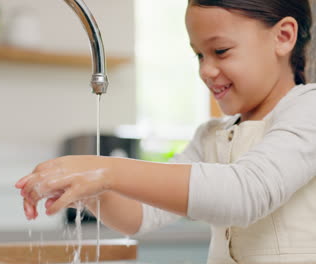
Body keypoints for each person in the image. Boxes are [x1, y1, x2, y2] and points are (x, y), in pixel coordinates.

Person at [16, 0, 316, 263]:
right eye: (199, 55)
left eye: (220, 51)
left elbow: (245, 192)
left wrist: (105, 170)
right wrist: (90, 190)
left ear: (283, 36)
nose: (206, 70)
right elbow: (140, 214)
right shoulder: (210, 136)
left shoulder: (308, 109)